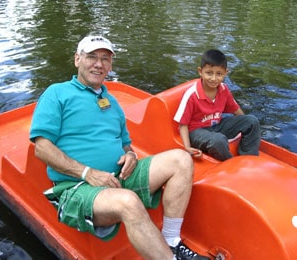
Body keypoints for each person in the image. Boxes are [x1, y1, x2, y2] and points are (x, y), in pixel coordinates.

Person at [29, 35, 209, 260]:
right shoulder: (57, 93)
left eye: (105, 59)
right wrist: (88, 173)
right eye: (92, 57)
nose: (99, 64)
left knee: (181, 160)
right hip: (76, 187)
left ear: (110, 66)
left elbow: (125, 144)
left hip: (118, 178)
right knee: (128, 201)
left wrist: (131, 155)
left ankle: (171, 242)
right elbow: (42, 148)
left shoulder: (112, 103)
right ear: (77, 59)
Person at [174, 49, 261, 161]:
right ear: (200, 72)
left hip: (217, 126)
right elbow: (183, 125)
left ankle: (249, 157)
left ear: (225, 73)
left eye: (219, 74)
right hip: (197, 132)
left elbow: (236, 110)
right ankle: (230, 162)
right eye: (209, 73)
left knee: (252, 121)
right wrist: (187, 147)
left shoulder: (224, 89)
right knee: (218, 140)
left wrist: (245, 124)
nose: (214, 78)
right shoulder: (192, 95)